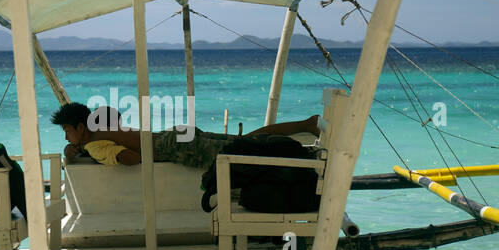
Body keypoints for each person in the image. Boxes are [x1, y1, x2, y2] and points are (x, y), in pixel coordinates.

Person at [50, 101, 319, 171]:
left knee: (250, 150)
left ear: (80, 128)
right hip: (176, 134)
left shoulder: (95, 145)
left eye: (67, 131)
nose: (66, 137)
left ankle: (304, 152)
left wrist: (95, 156)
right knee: (247, 141)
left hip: (175, 149)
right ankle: (307, 125)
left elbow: (131, 158)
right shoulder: (101, 124)